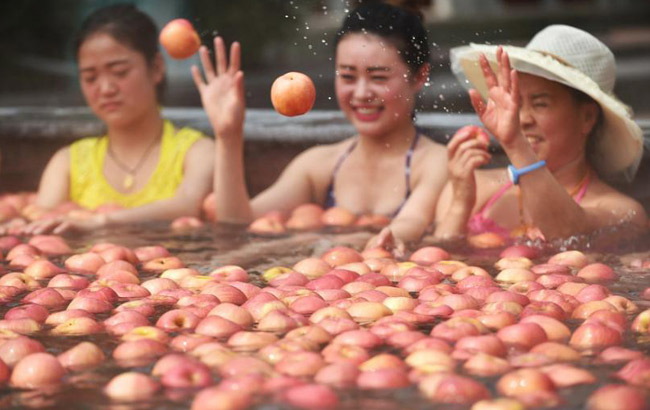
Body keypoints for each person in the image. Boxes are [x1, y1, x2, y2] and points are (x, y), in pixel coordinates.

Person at [194, 1, 447, 254]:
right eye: (347, 76)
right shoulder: (319, 167)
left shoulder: (436, 163)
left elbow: (410, 225)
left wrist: (310, 242)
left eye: (378, 77)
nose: (361, 93)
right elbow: (238, 226)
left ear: (420, 76)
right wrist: (228, 135)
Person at [435, 25, 647, 241]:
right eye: (515, 103)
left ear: (587, 118)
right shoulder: (474, 185)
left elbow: (568, 234)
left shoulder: (622, 212)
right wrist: (460, 204)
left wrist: (515, 142)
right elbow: (432, 261)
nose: (522, 119)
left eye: (540, 104)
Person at [23, 4, 214, 234]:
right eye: (90, 77)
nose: (105, 89)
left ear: (156, 68)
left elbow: (187, 205)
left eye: (120, 72)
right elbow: (40, 222)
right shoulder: (67, 164)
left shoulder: (198, 152)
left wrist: (100, 222)